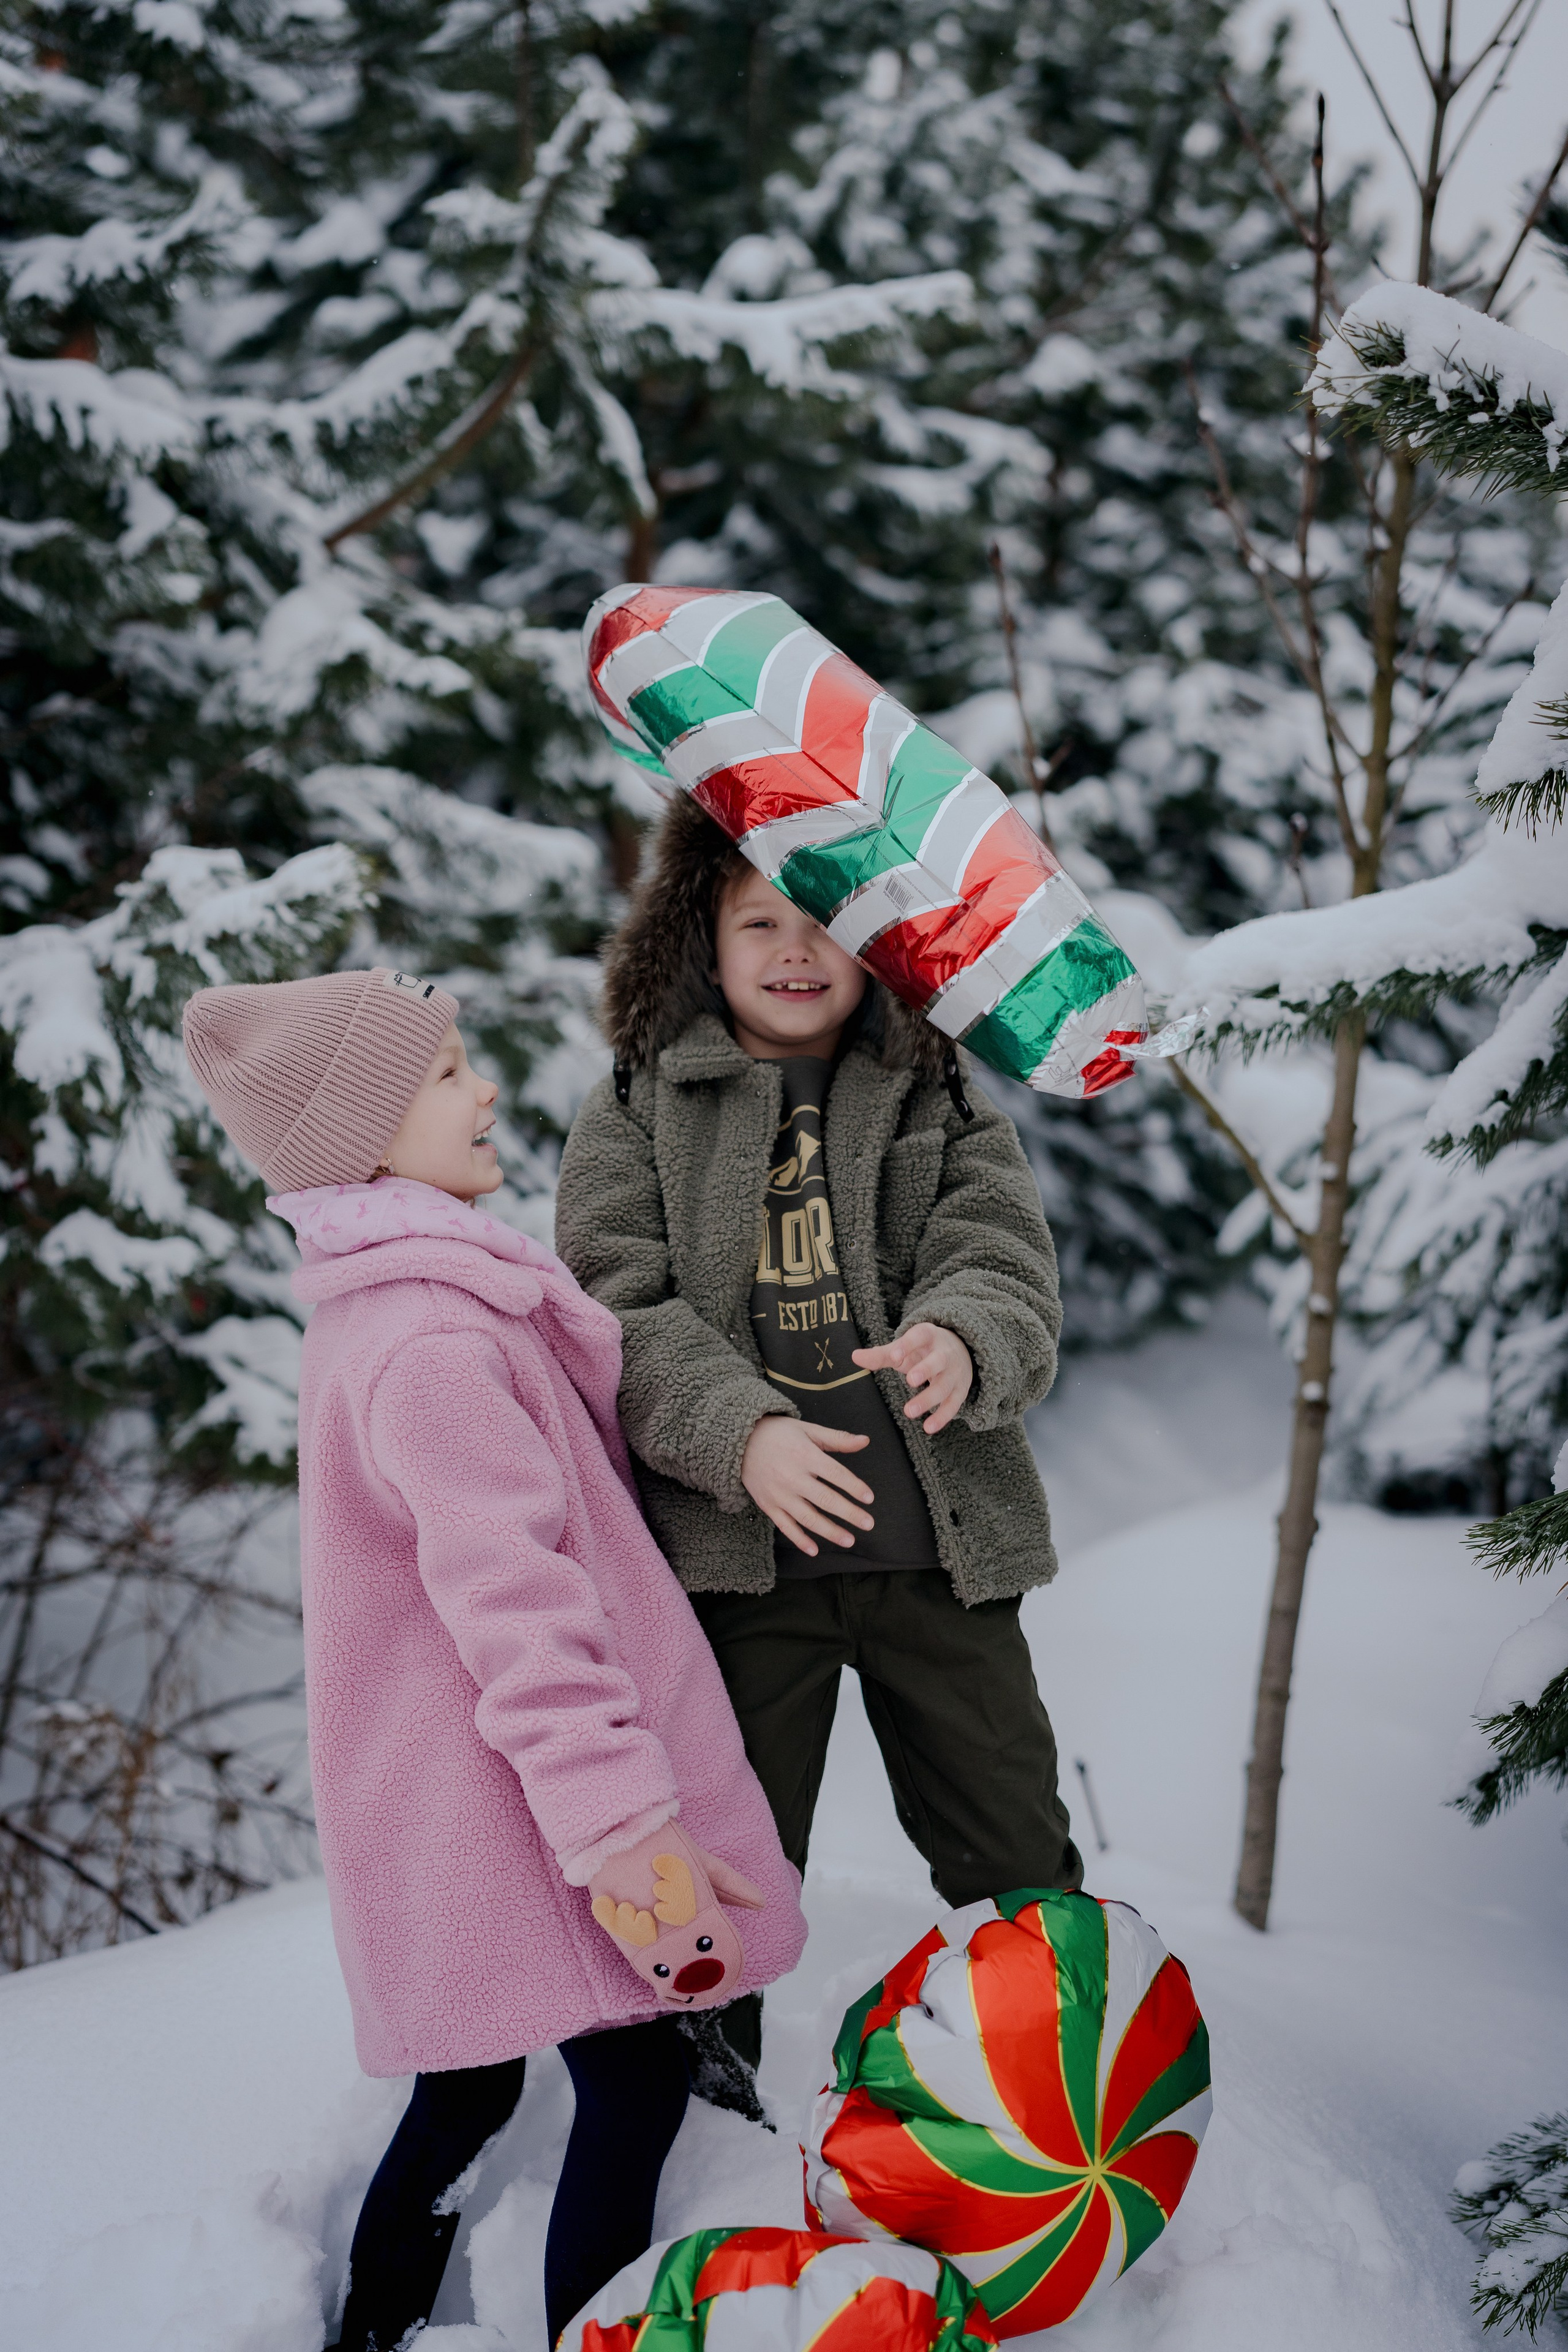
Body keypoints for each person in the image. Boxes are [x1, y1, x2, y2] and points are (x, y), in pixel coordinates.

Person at [182, 967, 805, 2352]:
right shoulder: (429, 1346)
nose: (485, 1090)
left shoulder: (397, 1310)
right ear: (360, 1136)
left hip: (465, 1800)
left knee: (468, 2095)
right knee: (628, 2093)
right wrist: (627, 1835)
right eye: (445, 1071)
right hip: (523, 1809)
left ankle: (373, 2333)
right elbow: (518, 1615)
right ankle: (585, 2332)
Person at [556, 799, 1082, 2071]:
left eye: (826, 925)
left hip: (934, 1564)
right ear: (701, 937)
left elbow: (1000, 1260)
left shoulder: (932, 1098)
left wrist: (962, 1336)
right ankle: (703, 2101)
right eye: (759, 923)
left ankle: (1062, 2068)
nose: (794, 952)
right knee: (730, 1860)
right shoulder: (636, 1108)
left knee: (1008, 1837)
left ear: (877, 946)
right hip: (741, 1576)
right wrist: (739, 1433)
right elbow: (612, 1308)